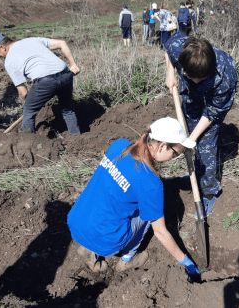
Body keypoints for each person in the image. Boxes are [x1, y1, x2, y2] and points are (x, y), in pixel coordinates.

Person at [67, 117, 201, 278]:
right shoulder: (151, 183)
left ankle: (88, 248)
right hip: (106, 238)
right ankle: (126, 260)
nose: (175, 157)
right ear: (163, 146)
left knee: (107, 188)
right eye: (176, 153)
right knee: (149, 213)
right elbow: (160, 232)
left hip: (77, 220)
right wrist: (186, 261)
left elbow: (129, 175)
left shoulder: (119, 145)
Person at [163, 32, 238, 218]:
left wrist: (192, 139)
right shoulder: (179, 48)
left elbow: (212, 113)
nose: (194, 79)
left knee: (204, 143)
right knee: (190, 122)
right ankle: (197, 175)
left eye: (199, 78)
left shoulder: (225, 77)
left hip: (214, 99)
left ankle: (209, 191)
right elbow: (167, 47)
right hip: (191, 95)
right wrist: (170, 72)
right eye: (189, 75)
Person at [0, 34, 81, 135]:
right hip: (65, 74)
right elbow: (61, 43)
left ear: (2, 47)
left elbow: (23, 93)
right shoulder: (32, 40)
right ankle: (76, 136)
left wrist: (35, 102)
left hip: (46, 80)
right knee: (67, 109)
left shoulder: (9, 61)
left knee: (29, 110)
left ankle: (27, 144)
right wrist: (73, 65)